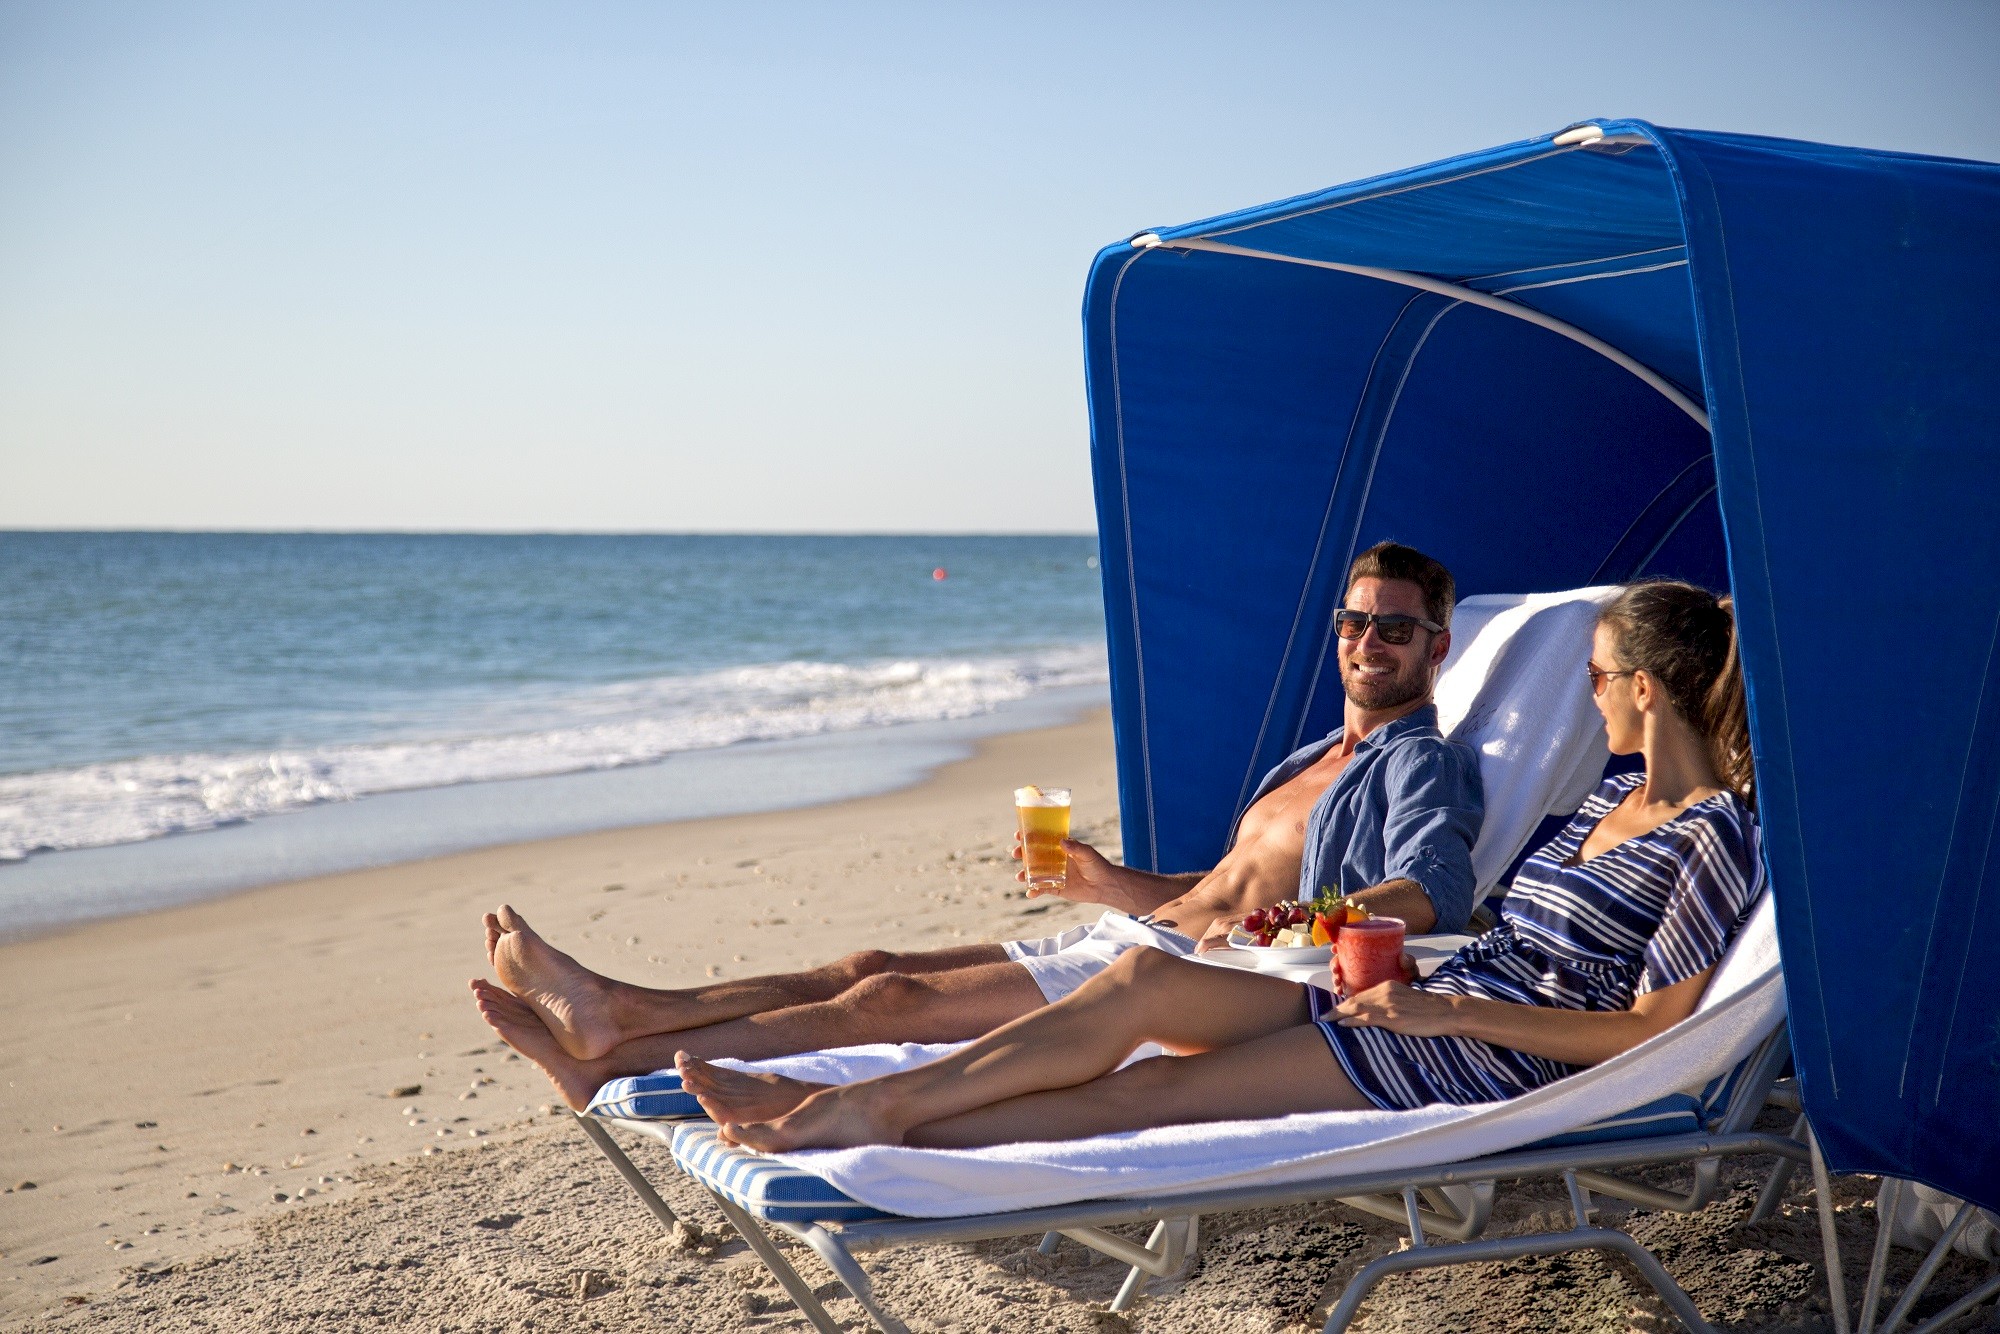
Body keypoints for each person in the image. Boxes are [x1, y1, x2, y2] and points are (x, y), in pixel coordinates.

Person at [678, 580, 1760, 1152]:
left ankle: (876, 1117)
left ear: (1647, 690)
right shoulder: (1606, 799)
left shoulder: (1709, 834)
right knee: (1142, 982)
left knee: (1156, 1090)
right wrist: (1387, 972)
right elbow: (1490, 930)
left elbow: (1651, 1031)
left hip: (1477, 1053)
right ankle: (875, 1096)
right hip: (1418, 995)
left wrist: (1448, 1017)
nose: (1587, 693)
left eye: (1598, 675)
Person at [472, 542, 1483, 1110]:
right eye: (1352, 621)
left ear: (1432, 646)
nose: (1364, 642)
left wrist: (1282, 928)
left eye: (1392, 627)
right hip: (1145, 932)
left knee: (888, 996)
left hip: (1229, 983)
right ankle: (618, 1017)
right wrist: (1103, 879)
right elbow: (1216, 891)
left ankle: (616, 1035)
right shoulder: (1305, 761)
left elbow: (1429, 889)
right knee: (867, 961)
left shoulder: (1419, 761)